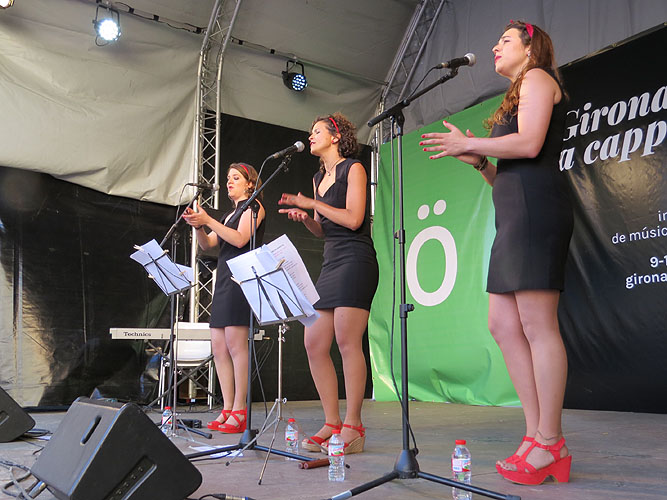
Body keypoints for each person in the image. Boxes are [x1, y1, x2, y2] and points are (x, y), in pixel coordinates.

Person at [420, 20, 573, 485]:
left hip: (537, 213)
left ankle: (551, 442)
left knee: (537, 325)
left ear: (530, 47)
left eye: (505, 40)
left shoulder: (539, 78)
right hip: (515, 217)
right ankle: (535, 434)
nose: (494, 47)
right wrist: (481, 162)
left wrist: (468, 141)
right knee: (503, 325)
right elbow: (505, 176)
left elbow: (529, 144)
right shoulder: (518, 91)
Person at [278, 113, 378, 454]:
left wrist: (312, 203)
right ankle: (332, 422)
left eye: (317, 131)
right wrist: (308, 218)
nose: (311, 136)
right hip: (332, 261)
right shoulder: (318, 176)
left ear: (335, 136)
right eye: (310, 132)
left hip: (356, 259)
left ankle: (354, 425)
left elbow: (354, 219)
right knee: (314, 342)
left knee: (347, 341)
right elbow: (323, 230)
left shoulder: (354, 169)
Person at [182, 163, 265, 433]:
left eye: (236, 178)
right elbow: (208, 244)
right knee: (218, 346)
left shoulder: (254, 207)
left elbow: (240, 239)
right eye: (228, 178)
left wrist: (208, 220)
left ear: (250, 183)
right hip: (224, 279)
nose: (229, 181)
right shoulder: (230, 214)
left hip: (241, 279)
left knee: (235, 345)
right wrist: (198, 226)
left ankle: (240, 409)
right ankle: (228, 407)